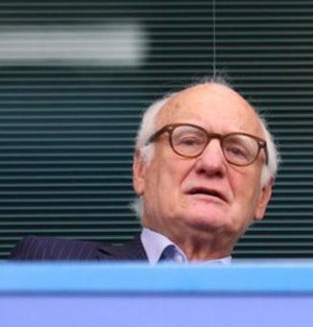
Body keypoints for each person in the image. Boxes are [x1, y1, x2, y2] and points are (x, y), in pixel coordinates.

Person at [10, 78, 279, 263]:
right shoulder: (50, 264)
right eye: (188, 141)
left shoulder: (286, 311)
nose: (212, 164)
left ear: (263, 196)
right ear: (141, 170)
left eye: (236, 150)